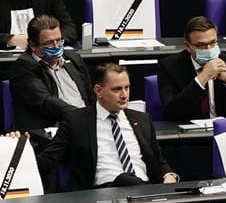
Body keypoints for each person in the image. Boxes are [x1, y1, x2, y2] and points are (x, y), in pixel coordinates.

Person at [41, 62, 177, 190]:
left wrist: (169, 176)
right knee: (126, 180)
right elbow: (49, 159)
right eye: (117, 89)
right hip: (103, 194)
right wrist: (21, 148)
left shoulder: (142, 119)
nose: (124, 95)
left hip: (144, 190)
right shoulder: (76, 121)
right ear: (98, 91)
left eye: (127, 87)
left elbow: (159, 159)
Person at [158, 16, 226, 122]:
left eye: (213, 42)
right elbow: (173, 111)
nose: (209, 49)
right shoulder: (170, 66)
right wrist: (202, 78)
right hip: (188, 133)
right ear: (188, 46)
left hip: (223, 131)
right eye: (201, 45)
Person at [9, 14, 93, 131]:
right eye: (49, 43)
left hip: (85, 126)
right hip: (52, 130)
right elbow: (46, 102)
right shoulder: (24, 66)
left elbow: (91, 94)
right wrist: (82, 116)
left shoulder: (74, 59)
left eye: (59, 40)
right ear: (33, 45)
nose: (56, 46)